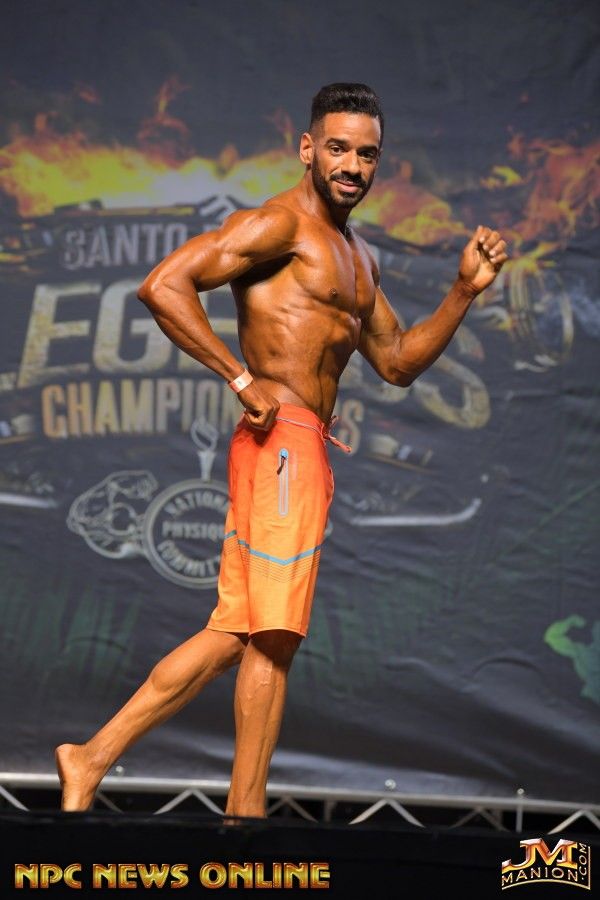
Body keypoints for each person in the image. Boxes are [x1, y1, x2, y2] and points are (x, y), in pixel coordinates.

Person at [55, 82, 508, 817]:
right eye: (338, 148)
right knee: (273, 636)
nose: (352, 165)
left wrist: (461, 291)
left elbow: (396, 362)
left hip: (303, 446)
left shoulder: (357, 256)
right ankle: (244, 815)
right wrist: (239, 377)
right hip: (281, 443)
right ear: (307, 149)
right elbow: (164, 286)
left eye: (367, 154)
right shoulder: (280, 225)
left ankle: (95, 759)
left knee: (240, 632)